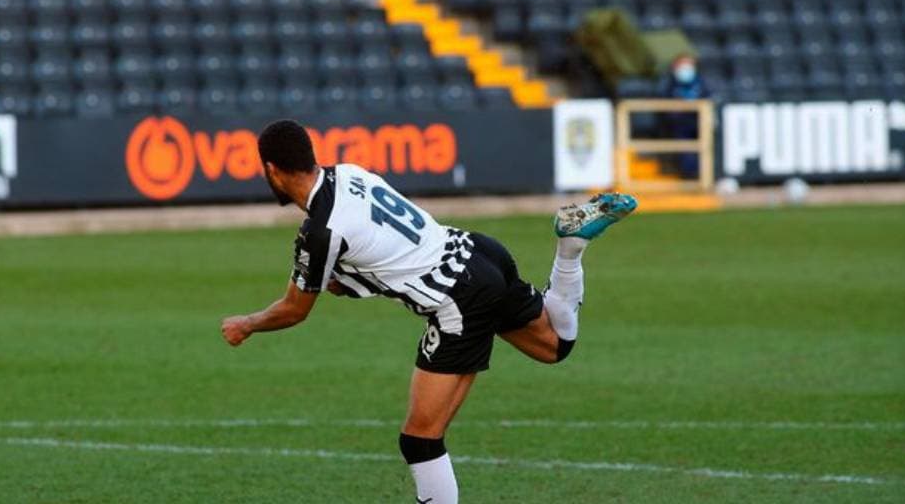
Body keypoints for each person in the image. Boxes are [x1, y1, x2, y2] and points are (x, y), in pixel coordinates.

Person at [221, 120, 637, 503]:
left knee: (420, 440)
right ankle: (570, 247)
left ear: (272, 170)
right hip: (479, 253)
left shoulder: (319, 232)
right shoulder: (348, 174)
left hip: (459, 300)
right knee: (554, 347)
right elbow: (382, 249)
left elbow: (294, 310)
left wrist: (248, 324)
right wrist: (345, 283)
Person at [661, 53, 710, 178]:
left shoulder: (701, 83)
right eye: (682, 65)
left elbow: (708, 99)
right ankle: (689, 175)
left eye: (688, 64)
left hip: (698, 122)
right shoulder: (669, 84)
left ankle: (704, 175)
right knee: (685, 149)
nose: (685, 68)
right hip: (679, 124)